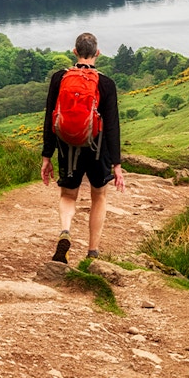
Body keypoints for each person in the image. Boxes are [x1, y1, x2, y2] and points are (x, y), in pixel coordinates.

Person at [41, 32, 125, 263]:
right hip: (98, 148)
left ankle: (65, 231)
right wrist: (116, 164)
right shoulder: (106, 84)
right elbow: (112, 126)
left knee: (68, 195)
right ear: (97, 53)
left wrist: (47, 155)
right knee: (99, 196)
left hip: (67, 146)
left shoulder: (59, 78)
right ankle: (92, 252)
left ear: (75, 51)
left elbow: (49, 117)